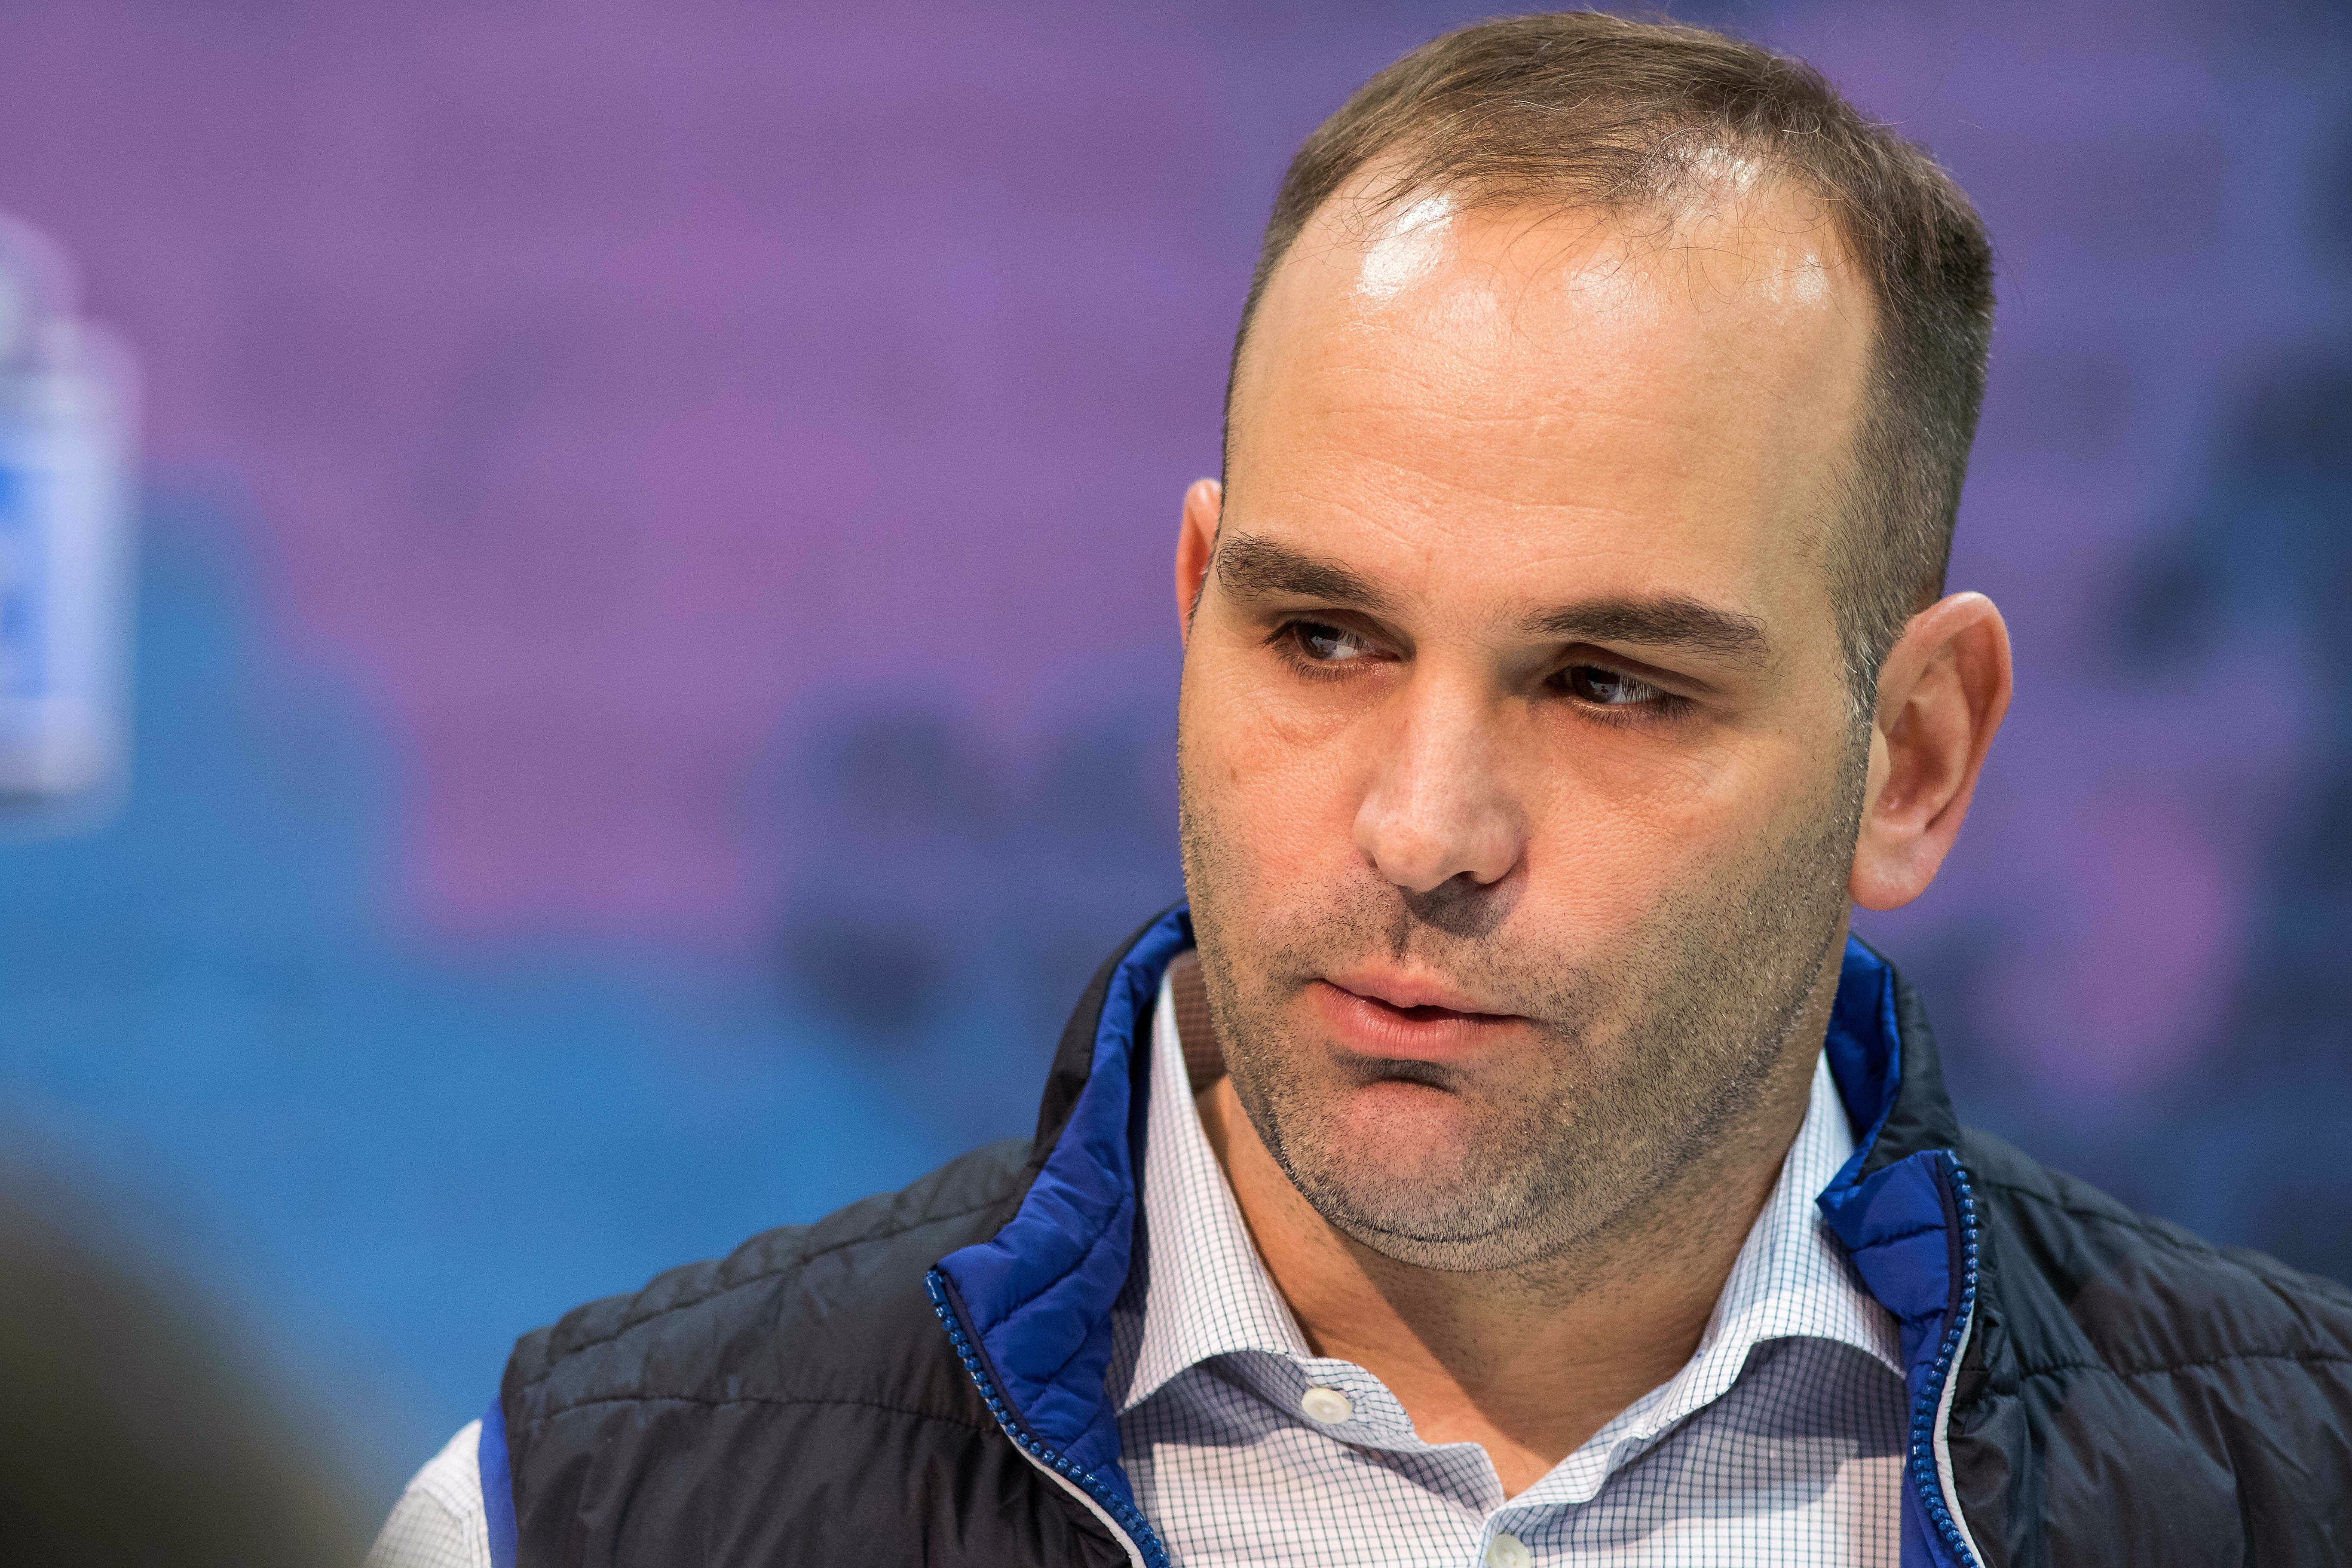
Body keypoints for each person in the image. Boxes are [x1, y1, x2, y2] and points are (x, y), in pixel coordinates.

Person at [370, 12, 2352, 1567]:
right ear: (1195, 607)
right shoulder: (586, 1517)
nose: (1423, 831)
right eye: (1323, 638)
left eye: (1608, 685)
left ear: (1912, 760)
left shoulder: (2301, 1493)